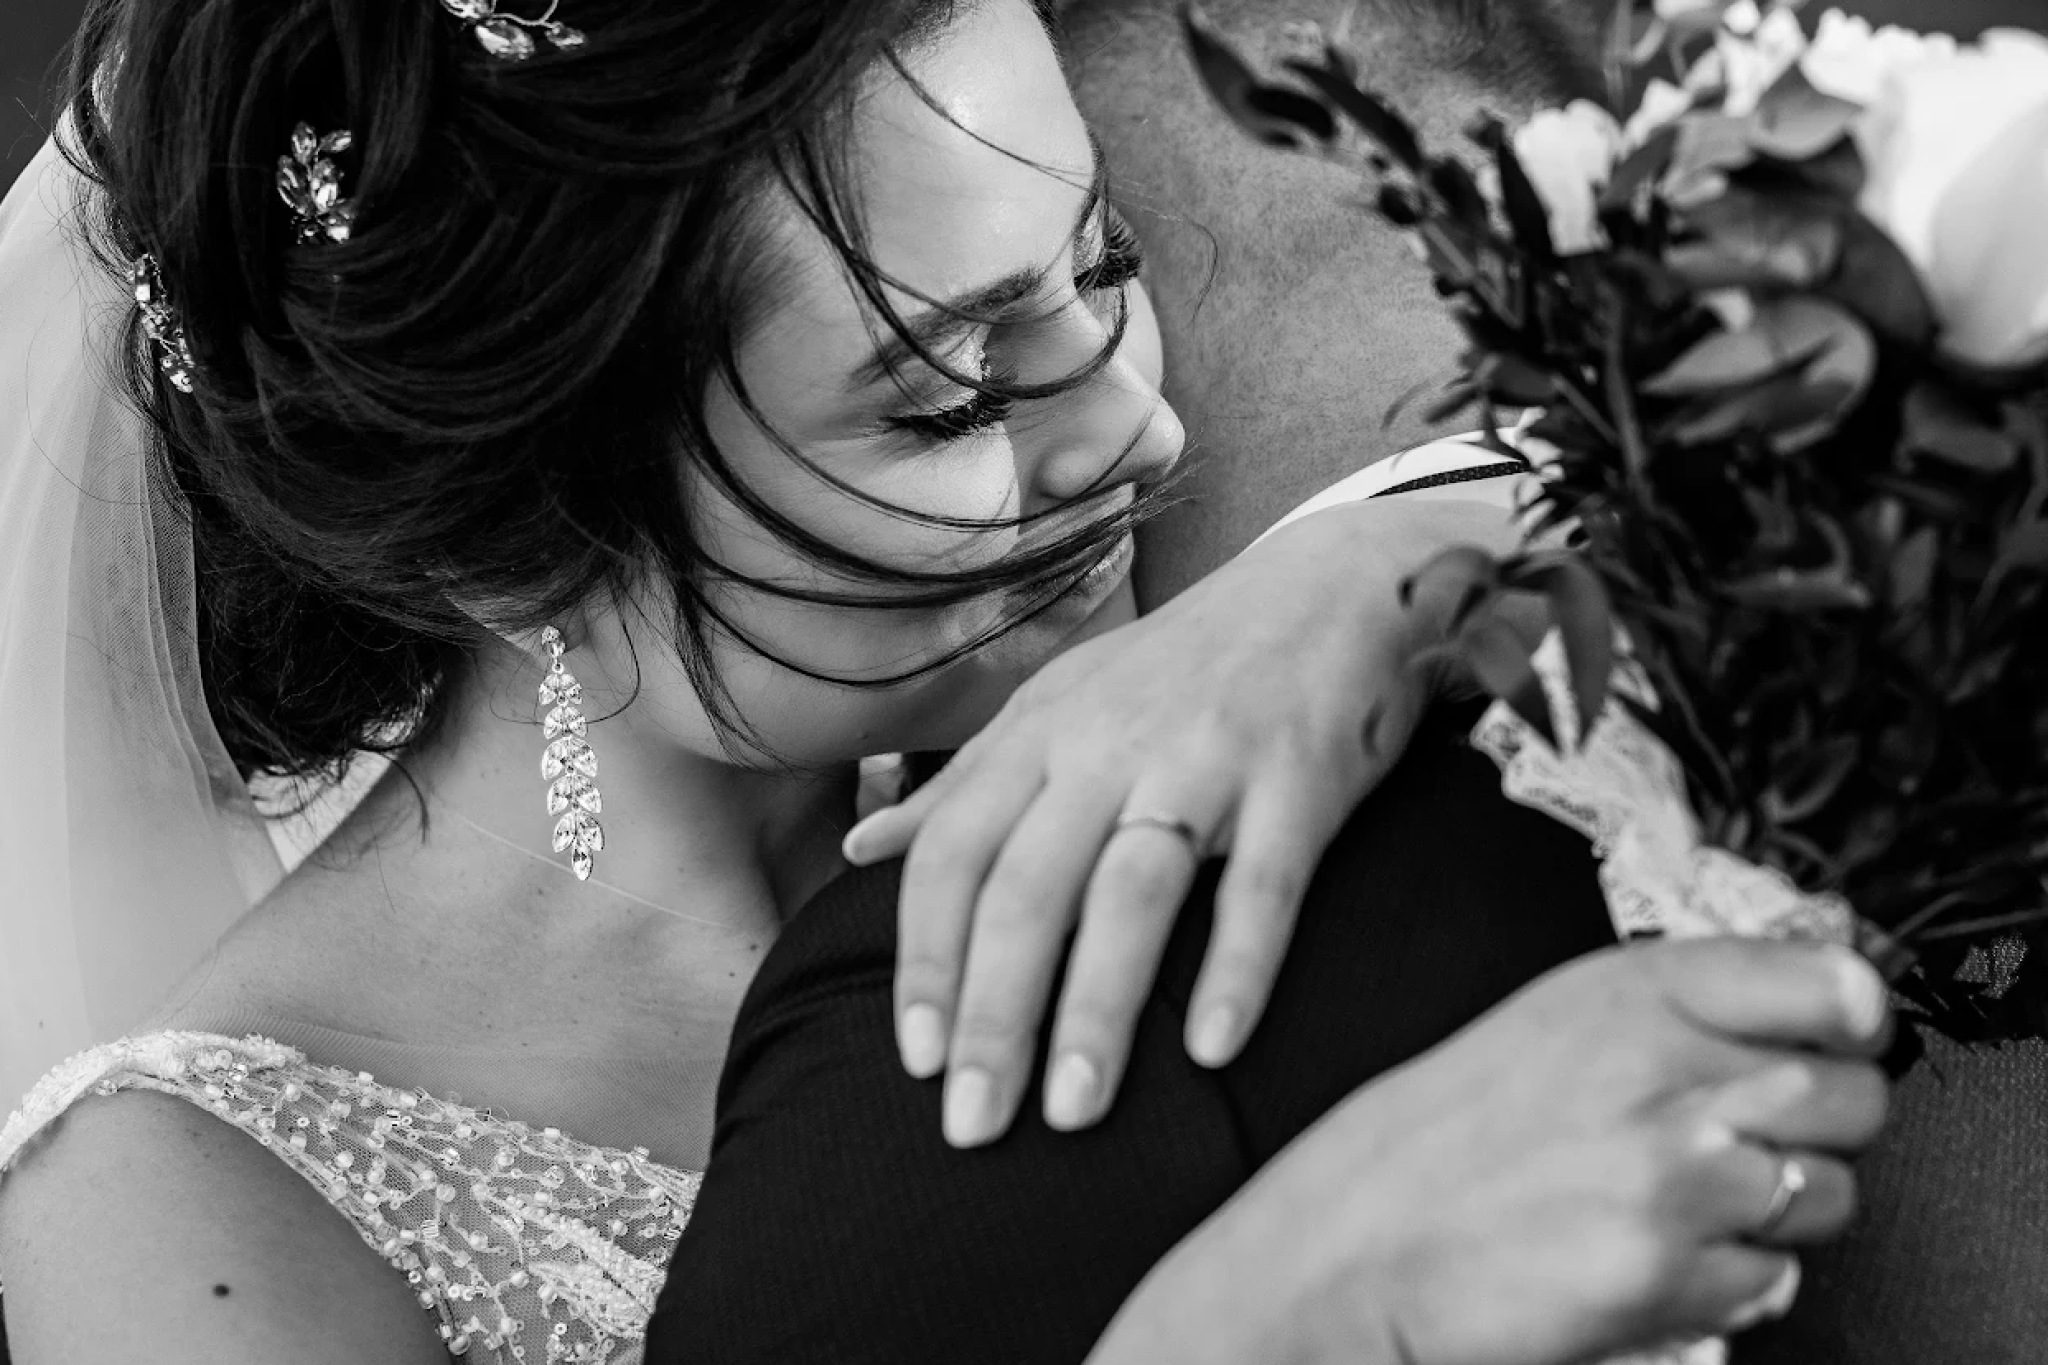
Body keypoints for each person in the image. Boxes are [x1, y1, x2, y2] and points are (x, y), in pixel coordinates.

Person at [0, 0, 1889, 1362]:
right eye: (949, 392)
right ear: (512, 547)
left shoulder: (1190, 653)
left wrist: (1379, 558)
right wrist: (1313, 1318)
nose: (1138, 428)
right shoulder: (183, 1202)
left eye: (1106, 261)